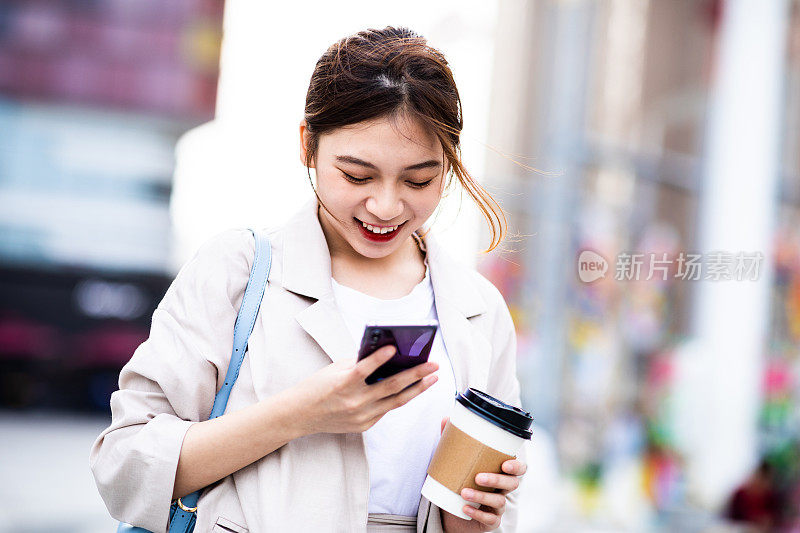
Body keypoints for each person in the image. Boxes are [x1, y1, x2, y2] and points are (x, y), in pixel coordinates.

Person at [90, 26, 527, 533]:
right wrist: (301, 413)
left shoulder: (478, 309)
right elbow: (123, 465)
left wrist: (475, 514)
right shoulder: (238, 270)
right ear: (308, 145)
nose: (385, 206)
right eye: (357, 175)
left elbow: (482, 518)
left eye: (419, 180)